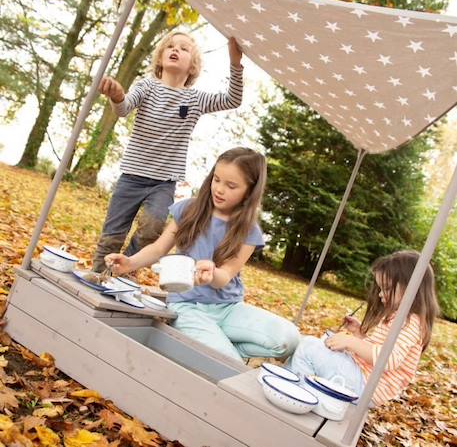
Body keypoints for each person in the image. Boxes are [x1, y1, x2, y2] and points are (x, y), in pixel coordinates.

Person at [105, 147, 300, 362]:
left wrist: (212, 273)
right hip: (186, 306)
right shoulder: (189, 209)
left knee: (288, 339)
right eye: (216, 179)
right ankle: (226, 350)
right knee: (228, 362)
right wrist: (129, 262)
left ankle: (229, 346)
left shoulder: (249, 231)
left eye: (231, 185)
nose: (219, 189)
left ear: (249, 191)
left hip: (228, 308)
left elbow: (225, 276)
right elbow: (159, 248)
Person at [93, 31, 244, 272]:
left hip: (163, 183)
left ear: (193, 66)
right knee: (113, 233)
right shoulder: (146, 86)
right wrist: (117, 96)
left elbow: (232, 99)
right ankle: (99, 273)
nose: (176, 50)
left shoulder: (195, 99)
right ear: (160, 58)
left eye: (184, 49)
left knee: (152, 229)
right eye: (170, 46)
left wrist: (235, 64)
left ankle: (125, 272)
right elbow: (123, 109)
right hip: (131, 176)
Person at [288, 250, 439, 405]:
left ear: (412, 288)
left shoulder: (410, 323)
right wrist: (359, 334)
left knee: (308, 347)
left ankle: (299, 396)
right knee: (318, 344)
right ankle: (297, 384)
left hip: (365, 385)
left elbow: (387, 359)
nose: (380, 294)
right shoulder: (400, 317)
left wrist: (351, 342)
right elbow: (378, 349)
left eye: (386, 288)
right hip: (362, 377)